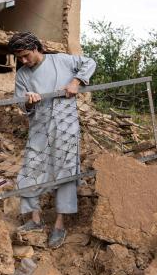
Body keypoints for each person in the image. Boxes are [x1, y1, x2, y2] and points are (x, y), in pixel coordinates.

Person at [9, 32, 96, 248]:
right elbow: (21, 105)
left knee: (66, 171)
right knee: (30, 169)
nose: (23, 61)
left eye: (26, 56)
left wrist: (75, 82)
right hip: (40, 127)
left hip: (66, 126)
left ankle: (59, 225)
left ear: (36, 49)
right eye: (19, 58)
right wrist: (29, 102)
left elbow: (90, 62)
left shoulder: (62, 60)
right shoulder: (22, 74)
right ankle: (35, 220)